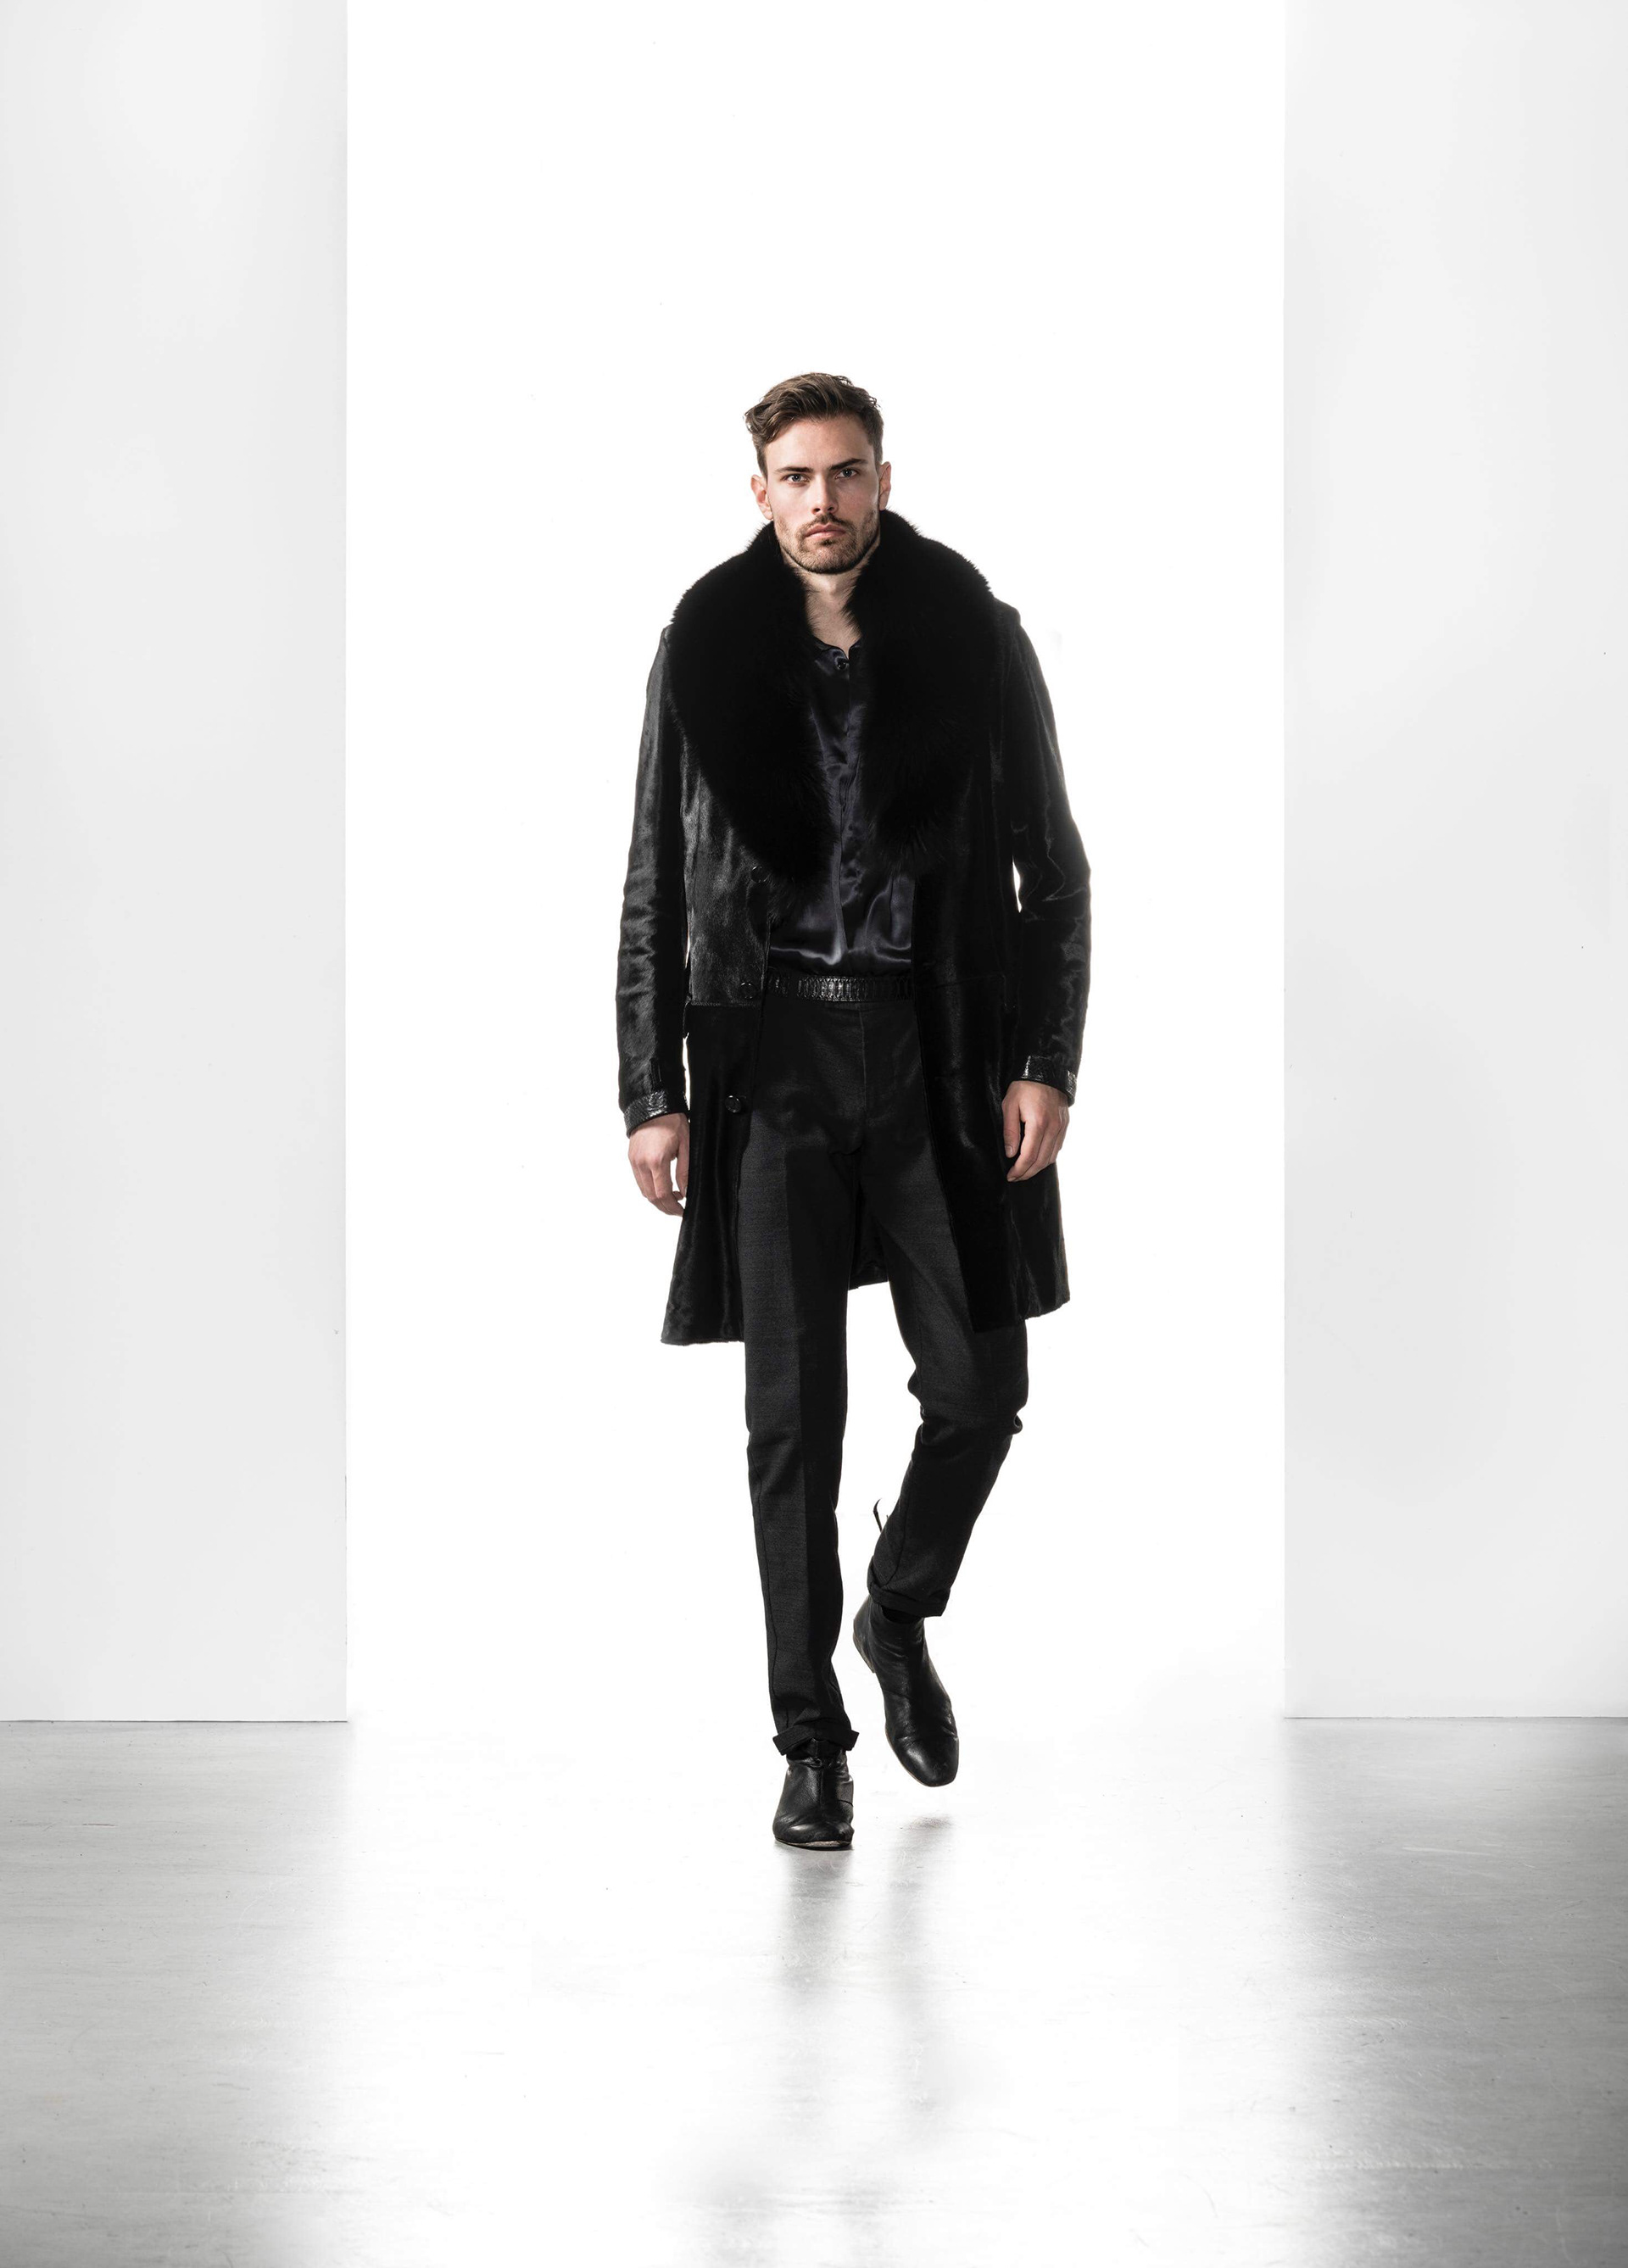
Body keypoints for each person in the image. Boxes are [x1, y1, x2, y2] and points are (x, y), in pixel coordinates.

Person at [615, 372, 1090, 1849]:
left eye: (845, 473)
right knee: (792, 1423)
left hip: (936, 1053)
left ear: (883, 479)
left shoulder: (975, 639)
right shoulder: (703, 646)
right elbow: (652, 881)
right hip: (770, 1068)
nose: (821, 501)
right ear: (758, 490)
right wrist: (651, 1090)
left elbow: (1055, 872)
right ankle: (808, 1744)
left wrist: (1046, 1059)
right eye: (795, 477)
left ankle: (897, 1610)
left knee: (981, 1389)